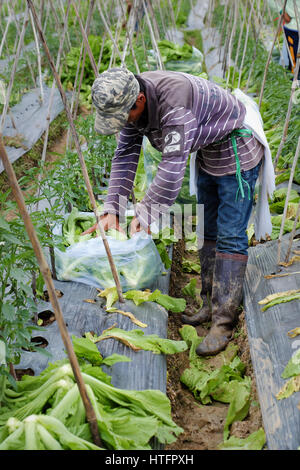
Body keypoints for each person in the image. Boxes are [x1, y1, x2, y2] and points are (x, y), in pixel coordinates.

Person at [84, 67, 269, 356]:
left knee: (230, 236)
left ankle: (224, 322)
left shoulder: (174, 106)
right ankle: (209, 303)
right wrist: (112, 209)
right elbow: (125, 154)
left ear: (141, 100)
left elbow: (171, 173)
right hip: (208, 151)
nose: (123, 124)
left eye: (124, 117)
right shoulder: (129, 99)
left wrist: (145, 214)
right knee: (207, 230)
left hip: (236, 150)